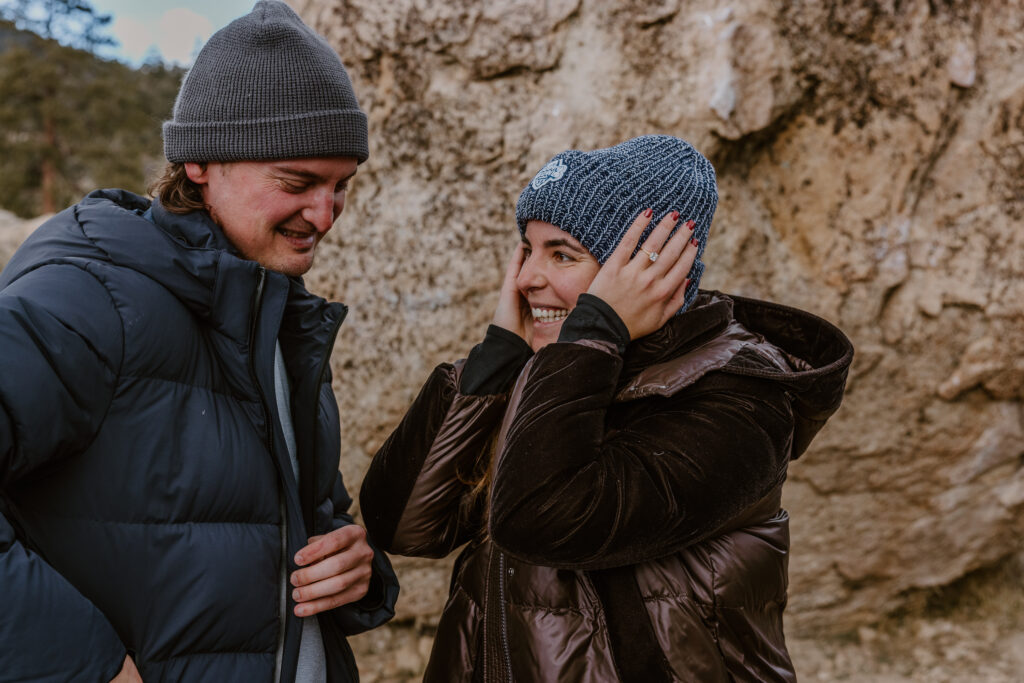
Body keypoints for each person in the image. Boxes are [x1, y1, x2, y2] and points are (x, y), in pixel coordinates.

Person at [359, 135, 854, 682]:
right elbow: (402, 526)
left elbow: (544, 520)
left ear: (650, 266)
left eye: (562, 254)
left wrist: (594, 333)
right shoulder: (552, 371)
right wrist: (498, 357)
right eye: (528, 249)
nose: (526, 278)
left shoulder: (739, 399)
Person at [0, 2, 398, 681]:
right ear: (198, 162)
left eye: (342, 187)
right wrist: (86, 667)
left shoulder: (278, 317)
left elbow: (275, 525)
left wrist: (356, 569)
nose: (326, 215)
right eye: (298, 183)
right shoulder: (88, 297)